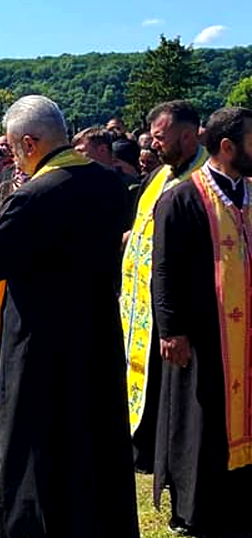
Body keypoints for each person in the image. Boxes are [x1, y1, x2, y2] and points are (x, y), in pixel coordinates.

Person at [0, 95, 138, 538]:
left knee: (37, 439)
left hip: (41, 340)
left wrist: (10, 200)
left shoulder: (33, 195)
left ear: (29, 144)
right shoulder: (108, 184)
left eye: (12, 151)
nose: (12, 159)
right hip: (94, 330)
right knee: (91, 434)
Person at [151, 107, 252, 536]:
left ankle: (244, 502)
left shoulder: (250, 193)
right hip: (205, 334)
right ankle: (196, 507)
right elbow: (165, 269)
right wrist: (172, 329)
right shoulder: (184, 197)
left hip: (246, 335)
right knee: (201, 422)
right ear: (228, 146)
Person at [121, 101, 205, 473]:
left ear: (187, 136)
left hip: (173, 304)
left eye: (160, 137)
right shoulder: (161, 175)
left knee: (164, 382)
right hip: (141, 301)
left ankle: (157, 453)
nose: (153, 145)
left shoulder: (202, 180)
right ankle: (139, 447)